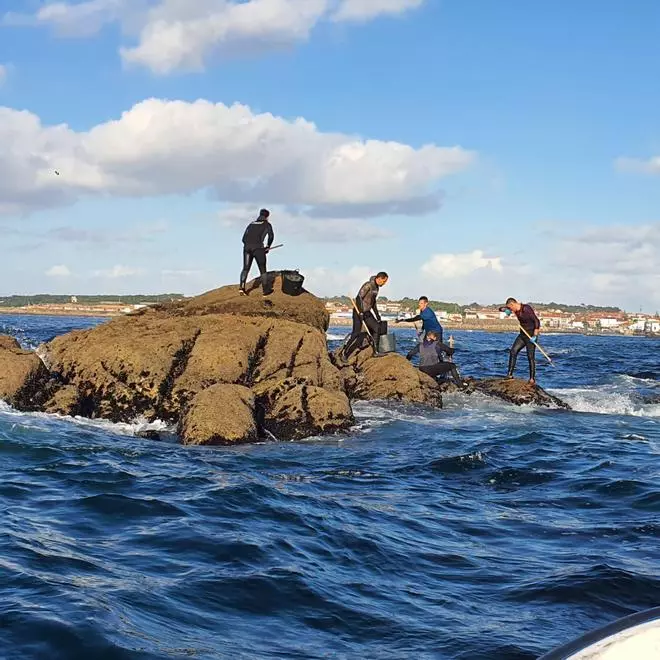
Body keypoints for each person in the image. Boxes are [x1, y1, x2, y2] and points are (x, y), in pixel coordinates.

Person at [341, 272, 389, 359]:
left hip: (367, 312)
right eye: (384, 281)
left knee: (377, 328)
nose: (384, 283)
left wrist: (377, 314)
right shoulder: (368, 285)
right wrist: (361, 312)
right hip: (358, 311)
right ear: (379, 278)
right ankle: (344, 352)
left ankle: (376, 351)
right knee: (356, 333)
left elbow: (373, 302)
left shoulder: (376, 288)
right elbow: (359, 297)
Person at [500, 297, 540, 384]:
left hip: (531, 335)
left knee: (530, 356)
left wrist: (535, 335)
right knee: (513, 351)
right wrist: (505, 310)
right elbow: (500, 309)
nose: (511, 310)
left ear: (512, 304)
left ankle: (532, 379)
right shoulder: (514, 309)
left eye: (510, 308)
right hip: (522, 335)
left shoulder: (526, 308)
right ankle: (509, 375)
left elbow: (536, 321)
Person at [239, 209, 274, 296]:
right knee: (262, 269)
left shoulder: (251, 224)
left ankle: (241, 288)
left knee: (245, 268)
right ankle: (266, 290)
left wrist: (248, 245)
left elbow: (243, 238)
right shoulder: (267, 225)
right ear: (267, 216)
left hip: (247, 248)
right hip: (258, 249)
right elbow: (271, 236)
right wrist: (267, 247)